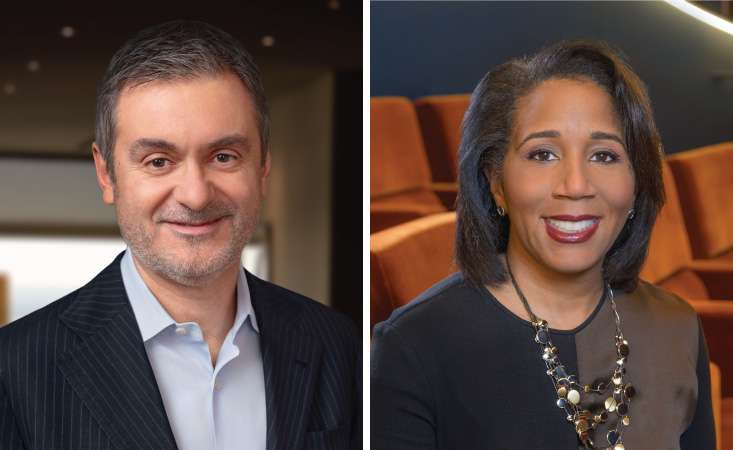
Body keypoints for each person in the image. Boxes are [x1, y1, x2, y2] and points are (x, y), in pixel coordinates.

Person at [0, 20, 360, 450]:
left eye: (224, 156)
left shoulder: (338, 345)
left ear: (263, 168)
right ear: (106, 174)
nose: (194, 195)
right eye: (158, 161)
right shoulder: (15, 369)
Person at [371, 40, 714, 449]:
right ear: (496, 181)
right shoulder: (414, 346)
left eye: (604, 156)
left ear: (638, 180)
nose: (575, 186)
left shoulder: (677, 326)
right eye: (543, 154)